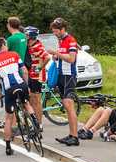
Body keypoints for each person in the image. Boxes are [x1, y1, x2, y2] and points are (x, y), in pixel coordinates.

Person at [0, 37, 32, 156]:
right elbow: (24, 71)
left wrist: (0, 93)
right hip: (21, 84)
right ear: (3, 45)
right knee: (26, 103)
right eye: (6, 43)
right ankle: (35, 124)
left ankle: (8, 147)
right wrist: (26, 85)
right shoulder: (14, 54)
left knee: (8, 118)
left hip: (9, 89)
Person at [49, 18, 80, 147]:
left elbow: (71, 59)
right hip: (61, 76)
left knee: (69, 105)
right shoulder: (61, 41)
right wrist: (56, 56)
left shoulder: (70, 41)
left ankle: (75, 137)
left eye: (56, 31)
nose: (54, 34)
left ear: (62, 29)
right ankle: (71, 134)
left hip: (69, 76)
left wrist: (56, 53)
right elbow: (62, 56)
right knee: (66, 106)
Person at [24, 26, 50, 129]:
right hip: (30, 74)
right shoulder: (28, 45)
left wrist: (39, 68)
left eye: (26, 34)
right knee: (30, 98)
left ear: (31, 36)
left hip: (37, 76)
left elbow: (47, 57)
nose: (25, 36)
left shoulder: (37, 46)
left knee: (36, 100)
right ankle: (32, 122)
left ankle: (39, 124)